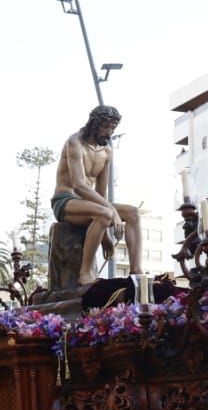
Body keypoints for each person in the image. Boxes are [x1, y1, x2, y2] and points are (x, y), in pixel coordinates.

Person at [50, 104, 141, 289]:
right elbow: (80, 186)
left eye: (113, 128)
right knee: (106, 213)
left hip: (91, 205)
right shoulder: (74, 143)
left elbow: (100, 194)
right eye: (106, 127)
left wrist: (106, 235)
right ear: (94, 124)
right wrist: (110, 211)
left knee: (133, 213)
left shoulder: (107, 152)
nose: (109, 132)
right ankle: (85, 274)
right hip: (66, 201)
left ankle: (137, 272)